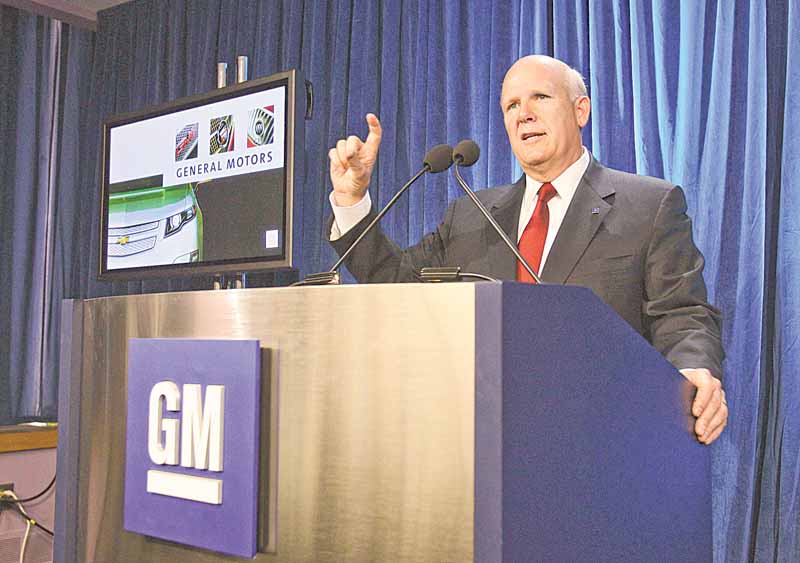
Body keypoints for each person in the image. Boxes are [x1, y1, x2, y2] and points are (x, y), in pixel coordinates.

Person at [326, 55, 727, 445]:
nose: (524, 114)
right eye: (511, 105)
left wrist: (692, 369)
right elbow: (398, 283)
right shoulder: (471, 214)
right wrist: (352, 201)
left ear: (581, 110)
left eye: (540, 98)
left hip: (604, 441)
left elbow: (681, 313)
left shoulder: (648, 205)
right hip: (484, 445)